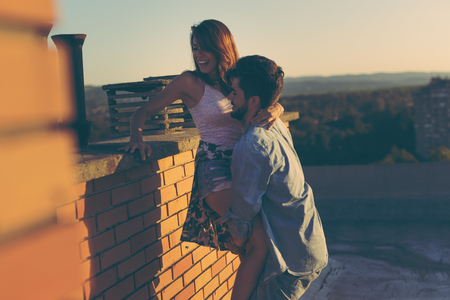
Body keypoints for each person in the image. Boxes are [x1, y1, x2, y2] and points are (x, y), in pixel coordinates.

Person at [118, 20, 284, 299]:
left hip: (244, 166)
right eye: (195, 48)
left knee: (249, 250)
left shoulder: (240, 75)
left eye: (205, 48)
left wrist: (277, 108)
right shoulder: (189, 82)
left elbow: (265, 99)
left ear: (222, 47)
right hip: (215, 168)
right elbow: (142, 112)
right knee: (260, 245)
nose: (198, 55)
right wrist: (136, 137)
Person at [222, 55, 328, 300]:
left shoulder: (251, 145)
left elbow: (244, 208)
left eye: (234, 93)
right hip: (305, 244)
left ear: (254, 101)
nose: (229, 97)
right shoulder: (275, 123)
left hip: (289, 259)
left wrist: (237, 241)